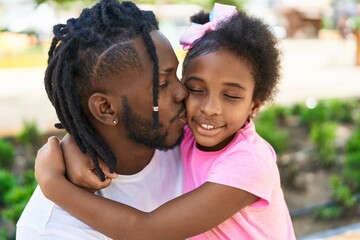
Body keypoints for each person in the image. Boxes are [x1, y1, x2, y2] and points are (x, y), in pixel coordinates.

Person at [34, 2, 296, 240]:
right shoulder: (53, 231)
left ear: (254, 106)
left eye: (230, 95)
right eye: (194, 87)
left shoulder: (244, 161)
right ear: (105, 109)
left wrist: (53, 184)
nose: (209, 107)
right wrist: (74, 143)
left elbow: (146, 230)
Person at [16, 0, 188, 239]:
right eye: (162, 83)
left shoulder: (193, 139)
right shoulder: (55, 229)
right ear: (106, 109)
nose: (182, 93)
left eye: (177, 75)